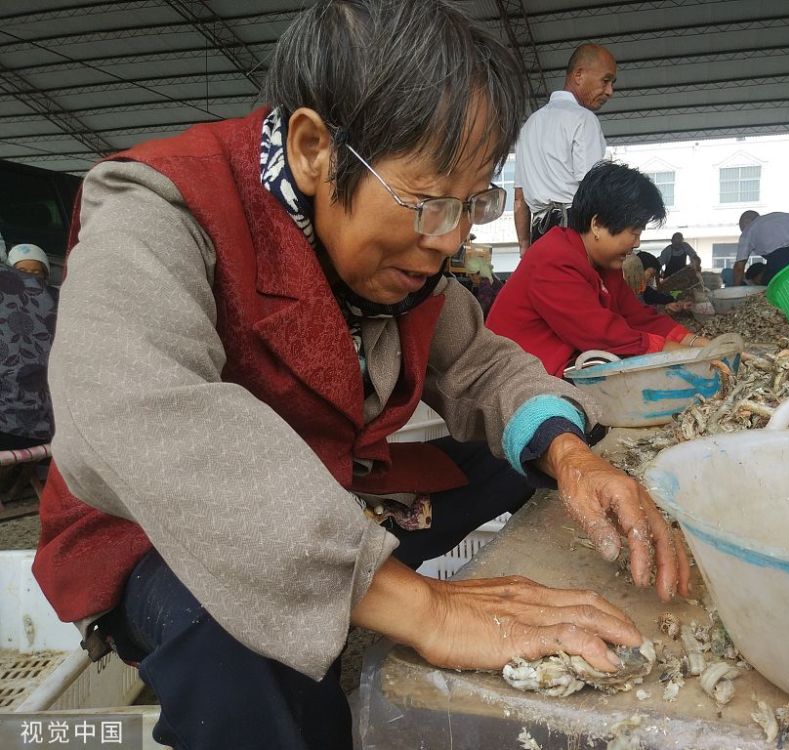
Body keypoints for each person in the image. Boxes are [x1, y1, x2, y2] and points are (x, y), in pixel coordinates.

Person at [31, 4, 689, 749]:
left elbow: (481, 365)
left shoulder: (411, 260)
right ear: (314, 149)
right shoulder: (163, 206)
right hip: (156, 528)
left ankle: (363, 586)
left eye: (472, 203)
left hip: (332, 488)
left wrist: (571, 457)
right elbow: (133, 411)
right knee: (240, 650)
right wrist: (428, 610)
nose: (450, 239)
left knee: (524, 453)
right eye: (429, 202)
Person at [487, 161, 709, 377]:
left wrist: (697, 343)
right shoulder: (553, 258)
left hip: (554, 369)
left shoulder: (605, 265)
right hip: (516, 379)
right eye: (634, 232)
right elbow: (600, 334)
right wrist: (678, 353)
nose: (637, 243)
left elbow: (637, 317)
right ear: (597, 224)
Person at [513, 43, 616, 254]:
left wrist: (525, 246)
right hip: (574, 232)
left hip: (538, 238)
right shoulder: (583, 119)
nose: (609, 91)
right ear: (579, 75)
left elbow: (519, 199)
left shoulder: (529, 125)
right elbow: (592, 188)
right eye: (605, 81)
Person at [0, 244, 58, 451]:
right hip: (48, 430)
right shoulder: (57, 301)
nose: (29, 278)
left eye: (36, 273)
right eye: (22, 272)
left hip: (13, 426)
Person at [732, 210, 789, 286]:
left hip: (780, 259)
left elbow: (739, 267)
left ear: (745, 222)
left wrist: (735, 291)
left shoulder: (748, 230)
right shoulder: (785, 216)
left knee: (768, 288)